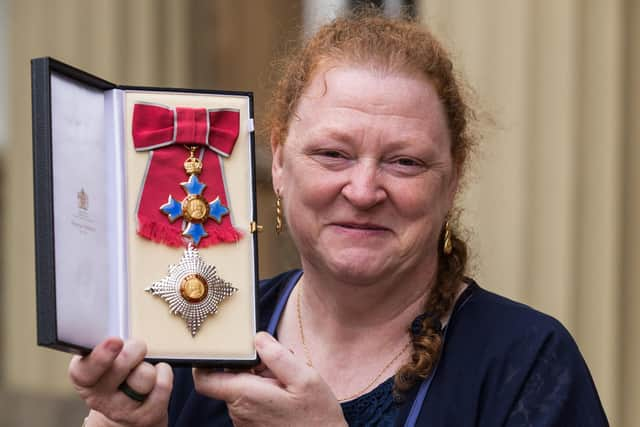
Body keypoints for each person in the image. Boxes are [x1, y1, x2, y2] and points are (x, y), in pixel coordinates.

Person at [69, 10, 609, 427]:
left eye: (405, 162)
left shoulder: (528, 363)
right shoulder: (197, 332)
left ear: (453, 179)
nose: (364, 189)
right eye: (333, 154)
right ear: (278, 162)